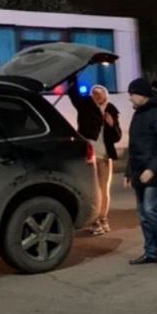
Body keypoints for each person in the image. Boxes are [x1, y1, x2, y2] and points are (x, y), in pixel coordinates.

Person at [124, 77, 157, 266]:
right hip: (139, 170)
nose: (130, 98)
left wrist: (152, 169)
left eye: (132, 94)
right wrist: (129, 173)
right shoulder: (139, 113)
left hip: (154, 171)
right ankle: (151, 252)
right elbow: (134, 145)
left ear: (142, 94)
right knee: (142, 214)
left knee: (151, 210)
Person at [68, 78, 122, 236]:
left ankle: (103, 220)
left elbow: (117, 137)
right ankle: (95, 221)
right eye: (93, 94)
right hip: (89, 156)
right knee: (92, 190)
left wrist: (111, 125)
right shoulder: (85, 106)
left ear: (105, 95)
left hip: (105, 156)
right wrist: (73, 77)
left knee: (104, 189)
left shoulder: (111, 110)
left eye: (99, 94)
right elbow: (74, 95)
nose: (96, 96)